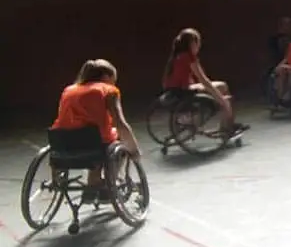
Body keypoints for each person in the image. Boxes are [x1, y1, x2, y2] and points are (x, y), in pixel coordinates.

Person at [52, 59, 141, 202]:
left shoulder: (69, 90)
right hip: (94, 143)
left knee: (93, 138)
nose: (114, 84)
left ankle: (93, 182)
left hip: (62, 142)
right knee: (117, 141)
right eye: (113, 80)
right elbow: (120, 123)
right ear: (106, 77)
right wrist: (134, 150)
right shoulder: (108, 90)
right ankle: (108, 184)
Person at [162, 28, 247, 134]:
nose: (199, 46)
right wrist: (221, 100)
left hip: (174, 91)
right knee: (225, 93)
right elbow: (204, 80)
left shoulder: (177, 55)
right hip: (183, 92)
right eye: (198, 42)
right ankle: (227, 126)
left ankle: (227, 124)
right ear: (192, 43)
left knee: (222, 87)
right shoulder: (188, 57)